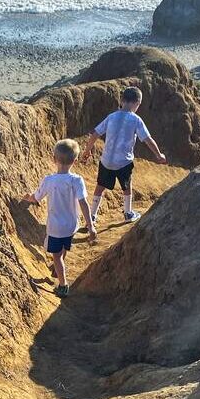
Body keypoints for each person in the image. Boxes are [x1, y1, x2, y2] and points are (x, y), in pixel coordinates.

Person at [81, 86, 167, 224]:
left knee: (100, 186)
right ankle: (128, 213)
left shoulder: (111, 117)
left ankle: (92, 216)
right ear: (137, 103)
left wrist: (87, 150)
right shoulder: (136, 120)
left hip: (106, 160)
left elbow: (95, 134)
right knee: (127, 186)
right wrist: (158, 154)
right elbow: (147, 139)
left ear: (122, 100)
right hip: (123, 162)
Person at [23, 139, 96, 298]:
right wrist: (90, 226)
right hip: (71, 225)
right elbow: (83, 203)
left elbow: (37, 197)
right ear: (75, 161)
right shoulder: (77, 180)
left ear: (54, 159)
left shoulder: (49, 180)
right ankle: (57, 270)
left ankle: (63, 286)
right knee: (63, 248)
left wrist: (29, 198)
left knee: (56, 256)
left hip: (55, 227)